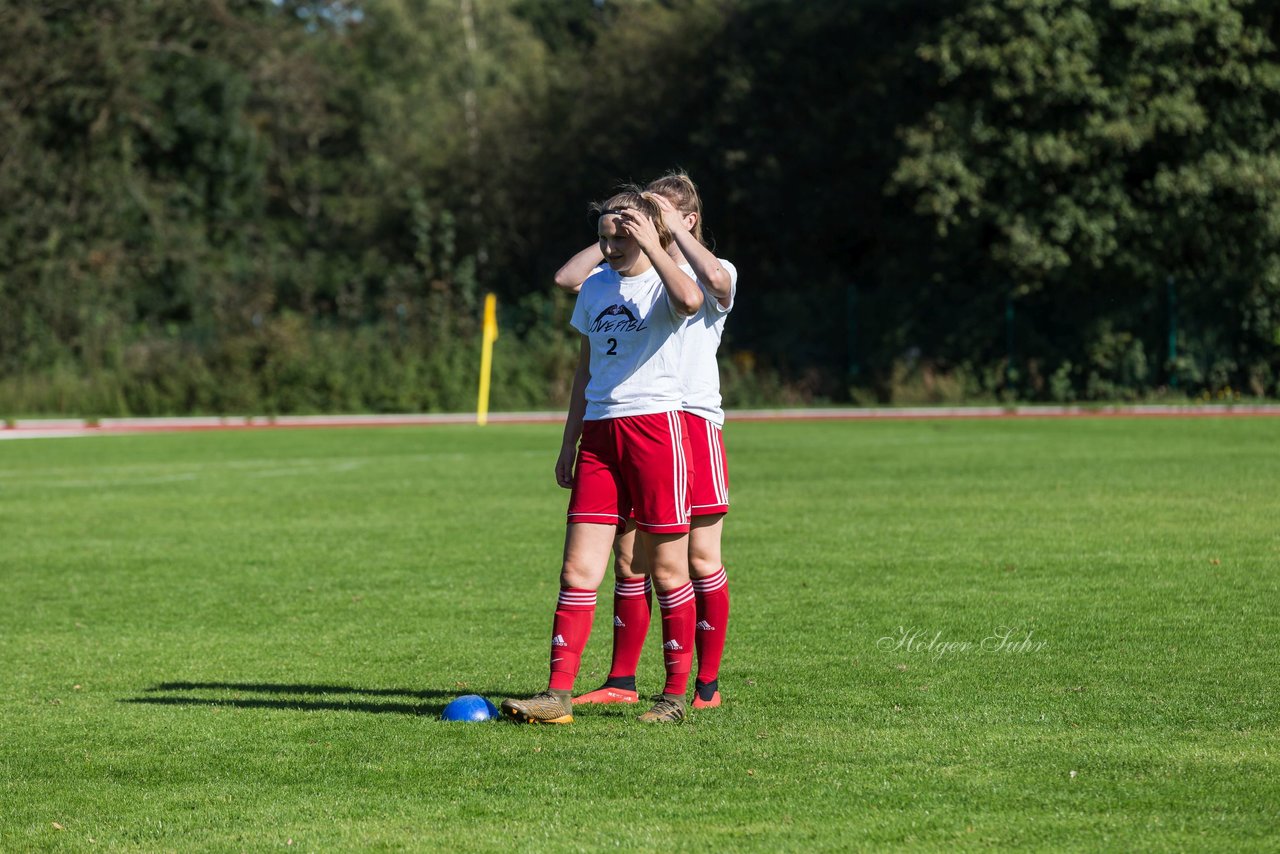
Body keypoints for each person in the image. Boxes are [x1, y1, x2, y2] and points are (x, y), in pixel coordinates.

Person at [501, 189, 704, 724]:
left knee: (666, 568)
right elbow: (584, 368)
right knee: (577, 569)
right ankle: (557, 695)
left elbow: (690, 302)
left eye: (622, 237)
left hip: (656, 431)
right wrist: (570, 440)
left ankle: (675, 697)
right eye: (605, 236)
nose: (612, 246)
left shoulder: (664, 279)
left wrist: (653, 240)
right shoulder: (595, 287)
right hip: (600, 434)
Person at [552, 172, 737, 710]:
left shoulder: (706, 272)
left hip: (689, 421)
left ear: (685, 220)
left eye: (662, 211)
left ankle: (702, 685)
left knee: (696, 558)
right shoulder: (617, 274)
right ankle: (621, 679)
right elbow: (571, 280)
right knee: (628, 558)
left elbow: (705, 293)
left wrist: (663, 235)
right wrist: (615, 230)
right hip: (623, 425)